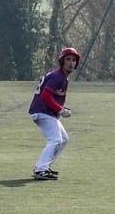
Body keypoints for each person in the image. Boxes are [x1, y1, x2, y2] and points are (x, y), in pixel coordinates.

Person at [29, 48, 80, 181]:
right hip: (42, 111)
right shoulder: (58, 76)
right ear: (62, 61)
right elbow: (45, 96)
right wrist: (60, 110)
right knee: (55, 139)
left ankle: (43, 167)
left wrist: (60, 108)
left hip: (46, 112)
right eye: (68, 59)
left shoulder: (62, 77)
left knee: (64, 139)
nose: (71, 63)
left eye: (74, 60)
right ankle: (41, 169)